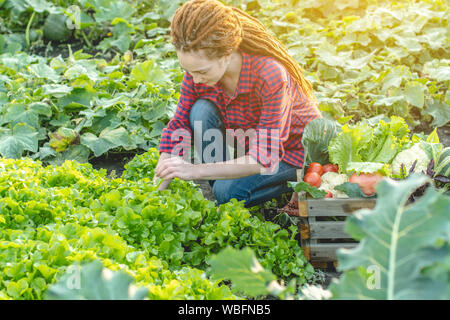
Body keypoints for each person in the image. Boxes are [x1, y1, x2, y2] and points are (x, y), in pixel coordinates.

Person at [153, 0, 321, 208]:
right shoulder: (199, 74)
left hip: (291, 153)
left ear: (227, 54)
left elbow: (264, 157)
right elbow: (180, 123)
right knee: (200, 111)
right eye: (189, 71)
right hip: (252, 142)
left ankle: (296, 181)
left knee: (227, 194)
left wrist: (195, 170)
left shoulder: (270, 75)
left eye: (202, 71)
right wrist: (165, 167)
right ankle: (224, 182)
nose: (194, 79)